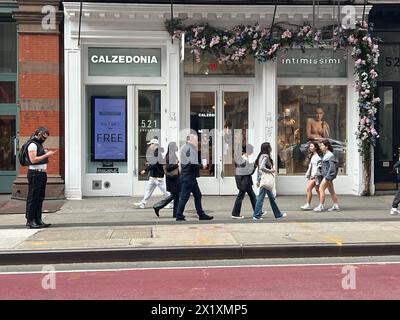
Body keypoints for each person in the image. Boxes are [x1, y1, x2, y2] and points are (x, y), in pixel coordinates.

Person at [175, 134, 213, 221]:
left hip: (188, 176)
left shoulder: (185, 147)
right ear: (190, 140)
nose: (197, 142)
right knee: (185, 197)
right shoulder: (189, 149)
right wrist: (202, 166)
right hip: (188, 177)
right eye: (195, 140)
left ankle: (201, 214)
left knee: (197, 195)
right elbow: (191, 164)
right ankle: (179, 215)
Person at [25, 127, 56, 229]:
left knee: (40, 198)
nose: (44, 139)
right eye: (43, 137)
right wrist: (46, 155)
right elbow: (33, 160)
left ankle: (38, 219)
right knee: (33, 197)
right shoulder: (32, 144)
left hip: (41, 174)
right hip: (35, 174)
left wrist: (44, 153)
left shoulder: (38, 145)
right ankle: (30, 220)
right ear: (38, 134)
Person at [253, 142, 287, 220]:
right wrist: (271, 171)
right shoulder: (265, 156)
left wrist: (258, 180)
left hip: (264, 180)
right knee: (261, 198)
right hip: (266, 181)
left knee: (271, 198)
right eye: (270, 146)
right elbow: (261, 167)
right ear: (268, 148)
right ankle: (256, 215)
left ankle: (278, 214)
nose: (271, 147)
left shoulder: (261, 156)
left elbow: (259, 169)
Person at [134, 138, 171, 209]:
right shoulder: (156, 152)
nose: (150, 146)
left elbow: (154, 164)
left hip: (158, 176)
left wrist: (145, 170)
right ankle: (142, 203)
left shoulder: (157, 153)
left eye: (151, 144)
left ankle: (172, 202)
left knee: (166, 191)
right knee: (148, 190)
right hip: (154, 176)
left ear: (154, 144)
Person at [153, 142, 181, 218]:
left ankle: (176, 214)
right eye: (175, 146)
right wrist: (176, 164)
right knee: (175, 196)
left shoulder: (170, 155)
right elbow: (168, 168)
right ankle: (157, 206)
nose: (177, 147)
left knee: (176, 196)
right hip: (173, 179)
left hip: (173, 179)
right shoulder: (170, 156)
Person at [231, 144, 257, 219]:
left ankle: (257, 211)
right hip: (243, 181)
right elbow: (249, 171)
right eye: (252, 151)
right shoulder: (243, 160)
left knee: (252, 196)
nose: (252, 152)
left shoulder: (244, 158)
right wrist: (254, 166)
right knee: (240, 197)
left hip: (246, 181)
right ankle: (235, 213)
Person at [314, 139, 340, 212]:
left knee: (321, 189)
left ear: (327, 146)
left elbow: (332, 168)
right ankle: (336, 205)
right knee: (331, 191)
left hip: (327, 176)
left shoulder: (330, 155)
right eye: (320, 145)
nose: (321, 147)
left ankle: (321, 206)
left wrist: (328, 177)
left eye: (322, 145)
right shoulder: (325, 154)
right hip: (327, 176)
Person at [300, 141, 322, 210]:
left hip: (315, 176)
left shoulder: (318, 156)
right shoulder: (312, 155)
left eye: (312, 146)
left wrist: (315, 175)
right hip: (312, 175)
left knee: (309, 188)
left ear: (315, 147)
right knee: (318, 190)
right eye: (310, 146)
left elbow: (319, 167)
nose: (310, 147)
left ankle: (308, 204)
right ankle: (321, 204)